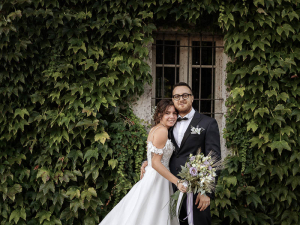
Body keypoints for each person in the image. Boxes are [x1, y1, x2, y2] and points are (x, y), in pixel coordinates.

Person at [141, 82, 221, 225]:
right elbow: (159, 148)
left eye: (185, 95)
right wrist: (147, 161)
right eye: (176, 96)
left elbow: (213, 158)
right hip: (168, 188)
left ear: (192, 98)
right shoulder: (168, 123)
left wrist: (206, 192)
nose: (181, 99)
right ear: (173, 100)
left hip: (196, 191)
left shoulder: (208, 123)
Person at [99, 99, 186, 225]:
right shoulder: (162, 131)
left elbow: (152, 157)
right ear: (159, 114)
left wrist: (147, 162)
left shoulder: (155, 129)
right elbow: (156, 163)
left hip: (153, 176)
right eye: (167, 113)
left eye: (174, 113)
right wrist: (177, 182)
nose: (172, 116)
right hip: (158, 179)